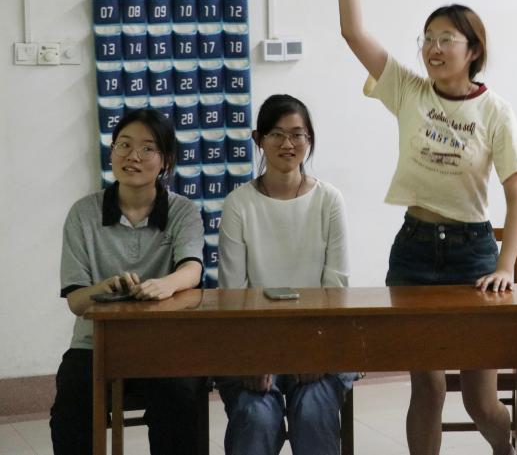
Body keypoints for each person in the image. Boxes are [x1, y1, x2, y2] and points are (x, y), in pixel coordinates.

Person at [330, 0, 517, 455]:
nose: (434, 48)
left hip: (472, 254)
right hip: (415, 249)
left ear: (473, 50)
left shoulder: (496, 110)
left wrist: (504, 266)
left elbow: (516, 198)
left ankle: (508, 449)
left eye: (447, 40)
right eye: (428, 39)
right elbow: (353, 33)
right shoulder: (408, 91)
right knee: (428, 386)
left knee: (481, 400)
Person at [50, 108, 205, 455]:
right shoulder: (83, 213)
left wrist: (166, 284)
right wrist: (103, 288)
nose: (133, 156)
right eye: (124, 145)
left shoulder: (183, 211)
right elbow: (76, 301)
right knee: (71, 405)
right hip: (95, 345)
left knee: (180, 400)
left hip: (162, 342)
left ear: (165, 161)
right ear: (112, 151)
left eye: (147, 148)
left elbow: (192, 269)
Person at [217, 94, 357, 455]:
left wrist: (314, 352)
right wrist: (255, 356)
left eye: (297, 134)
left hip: (320, 340)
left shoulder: (329, 200)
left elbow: (335, 288)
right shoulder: (239, 204)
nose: (287, 144)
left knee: (312, 411)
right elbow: (233, 294)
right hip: (253, 344)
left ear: (309, 140)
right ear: (258, 139)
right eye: (276, 134)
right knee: (256, 417)